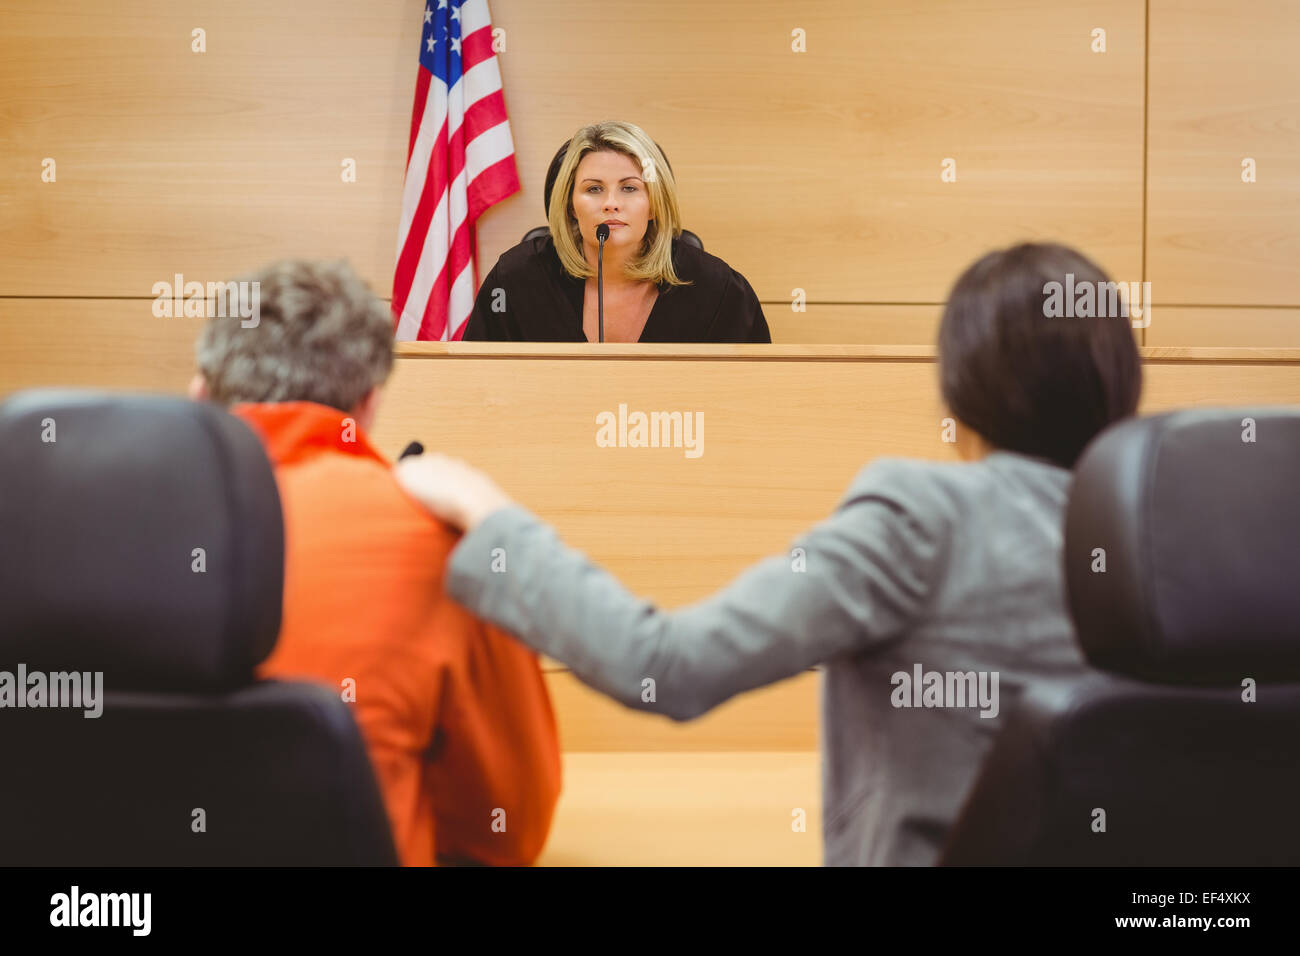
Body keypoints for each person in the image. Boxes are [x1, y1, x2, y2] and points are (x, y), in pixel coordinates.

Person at [394, 243, 1144, 866]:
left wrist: (487, 516)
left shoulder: (925, 519)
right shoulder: (1169, 533)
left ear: (958, 388)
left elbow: (664, 666)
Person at [188, 259, 561, 866]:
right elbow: (506, 827)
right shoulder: (447, 545)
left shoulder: (76, 529)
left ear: (200, 393)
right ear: (368, 405)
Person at [462, 120, 771, 343]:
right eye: (594, 189)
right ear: (570, 205)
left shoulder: (719, 291)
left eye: (629, 188)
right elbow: (473, 387)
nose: (611, 204)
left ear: (654, 205)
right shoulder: (514, 279)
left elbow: (758, 398)